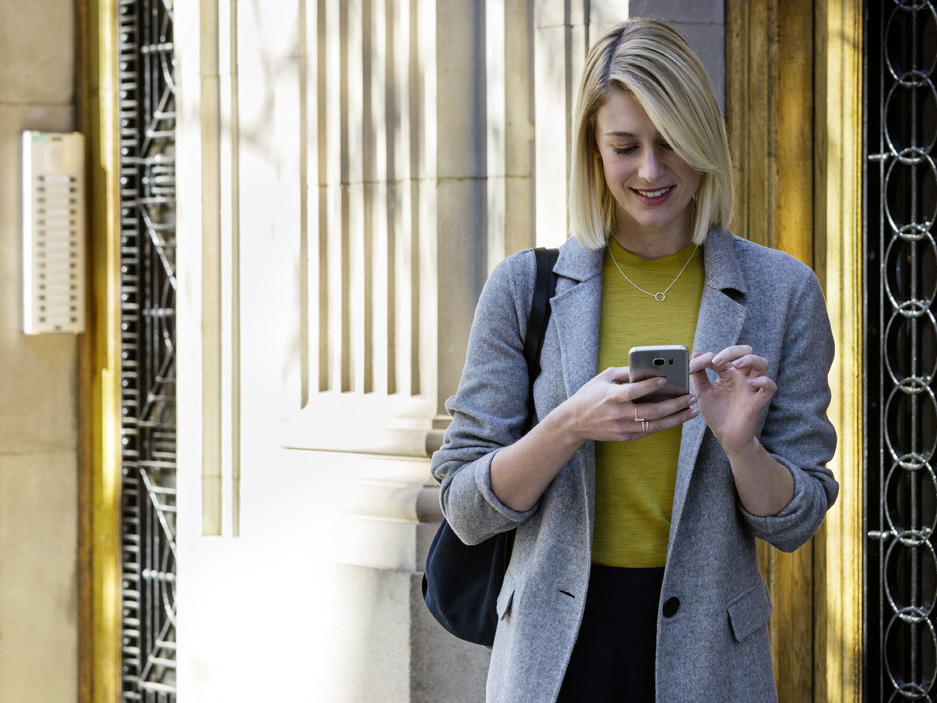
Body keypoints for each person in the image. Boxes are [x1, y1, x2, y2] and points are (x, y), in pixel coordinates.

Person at [430, 17, 838, 703]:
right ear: (593, 150)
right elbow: (465, 508)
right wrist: (568, 424)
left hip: (710, 658)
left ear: (703, 142)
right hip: (551, 656)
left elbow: (794, 521)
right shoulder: (522, 287)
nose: (649, 171)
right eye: (624, 146)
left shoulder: (781, 291)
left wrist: (741, 446)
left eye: (670, 143)